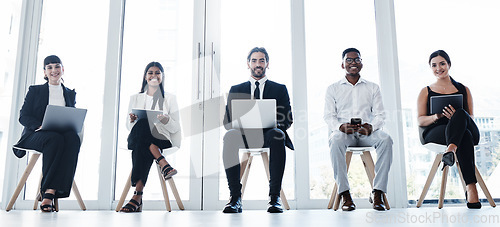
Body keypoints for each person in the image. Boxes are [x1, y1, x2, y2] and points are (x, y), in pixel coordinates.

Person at [222, 47, 293, 213]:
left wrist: (274, 121)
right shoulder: (236, 89)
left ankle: (274, 198)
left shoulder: (279, 89)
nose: (258, 64)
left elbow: (288, 119)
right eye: (254, 60)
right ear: (248, 64)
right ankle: (235, 198)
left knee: (278, 135)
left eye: (261, 60)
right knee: (229, 135)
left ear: (267, 63)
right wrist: (240, 121)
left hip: (269, 133)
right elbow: (227, 122)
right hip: (243, 135)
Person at [324, 48, 393, 211]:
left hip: (366, 133)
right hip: (344, 133)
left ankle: (378, 192)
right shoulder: (333, 88)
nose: (353, 63)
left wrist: (371, 127)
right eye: (349, 60)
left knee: (386, 139)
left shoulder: (373, 87)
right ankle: (345, 194)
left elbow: (380, 115)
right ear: (342, 65)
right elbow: (328, 116)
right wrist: (340, 126)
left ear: (361, 63)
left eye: (356, 60)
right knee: (335, 140)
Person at [13, 55, 82, 212]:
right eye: (49, 67)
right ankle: (48, 194)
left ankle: (50, 192)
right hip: (35, 134)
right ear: (44, 72)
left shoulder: (70, 93)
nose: (53, 70)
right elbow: (23, 116)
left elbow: (70, 115)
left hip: (60, 135)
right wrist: (39, 125)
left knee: (73, 139)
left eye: (57, 66)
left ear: (62, 69)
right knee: (55, 139)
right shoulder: (35, 90)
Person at [417, 50, 481, 209]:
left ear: (449, 65)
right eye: (434, 65)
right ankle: (471, 188)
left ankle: (451, 149)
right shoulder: (426, 91)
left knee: (461, 115)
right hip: (436, 131)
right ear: (430, 68)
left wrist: (458, 117)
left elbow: (470, 117)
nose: (438, 68)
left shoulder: (464, 89)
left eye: (442, 63)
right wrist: (436, 116)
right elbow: (420, 120)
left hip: (465, 128)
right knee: (463, 136)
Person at [120, 62, 182, 212]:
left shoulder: (170, 98)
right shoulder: (135, 98)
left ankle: (137, 196)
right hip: (137, 137)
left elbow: (175, 128)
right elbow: (128, 127)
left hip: (161, 138)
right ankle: (163, 163)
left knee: (142, 146)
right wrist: (133, 120)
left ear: (162, 76)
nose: (154, 76)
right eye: (150, 73)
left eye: (157, 73)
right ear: (145, 76)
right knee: (142, 126)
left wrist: (166, 120)